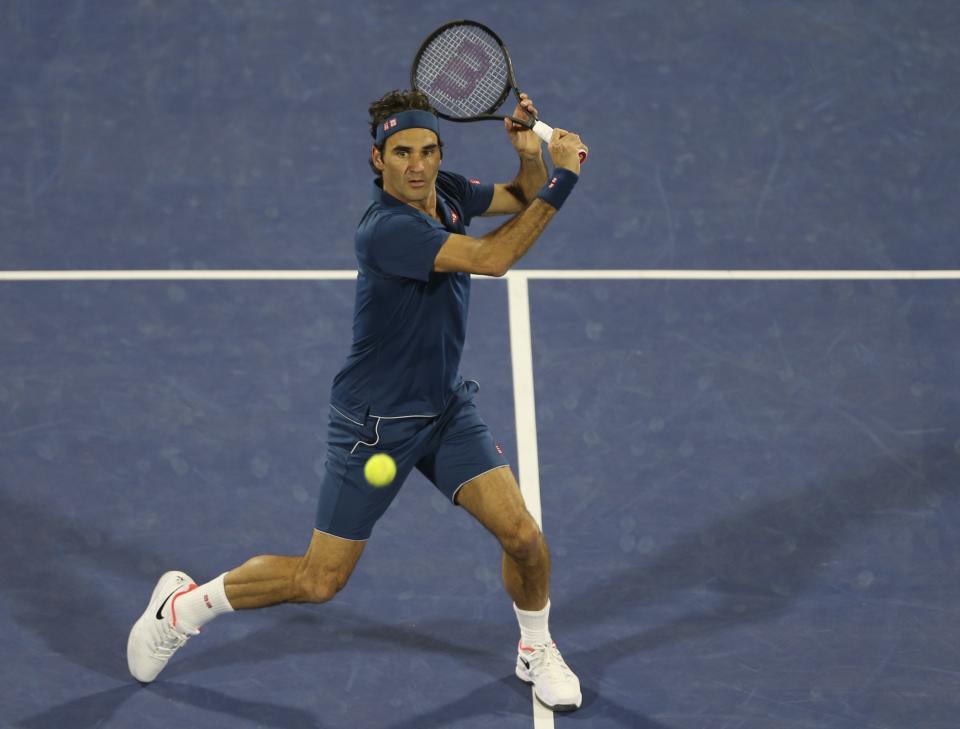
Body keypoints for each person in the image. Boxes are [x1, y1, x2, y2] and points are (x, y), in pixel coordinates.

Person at [127, 88, 588, 712]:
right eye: (402, 153)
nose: (417, 166)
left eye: (427, 150)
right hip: (374, 427)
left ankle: (535, 647)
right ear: (378, 160)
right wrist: (564, 177)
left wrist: (529, 155)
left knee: (525, 539)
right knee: (318, 582)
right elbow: (494, 257)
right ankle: (182, 607)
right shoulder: (387, 231)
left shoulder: (443, 191)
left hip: (444, 410)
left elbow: (518, 198)